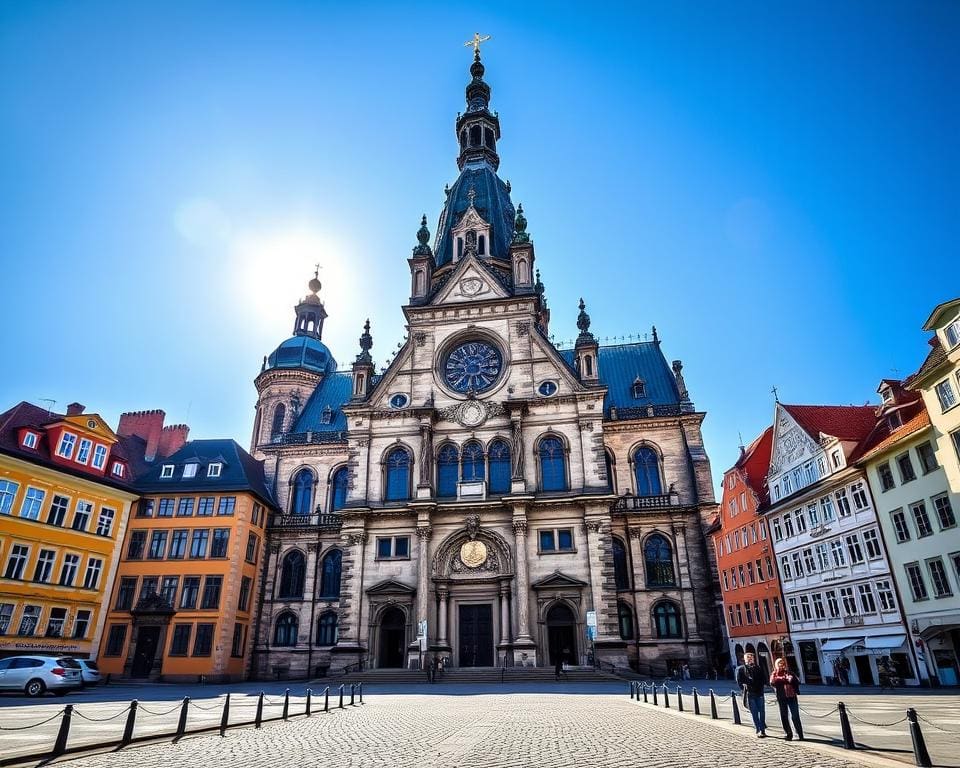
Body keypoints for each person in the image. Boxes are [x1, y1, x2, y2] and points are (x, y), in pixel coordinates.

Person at [770, 657, 804, 741]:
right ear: (776, 665)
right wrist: (784, 679)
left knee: (795, 716)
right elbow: (772, 682)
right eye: (779, 664)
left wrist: (790, 679)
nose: (781, 665)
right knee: (784, 716)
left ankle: (800, 734)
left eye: (782, 663)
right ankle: (788, 734)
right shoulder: (774, 674)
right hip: (782, 698)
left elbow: (797, 681)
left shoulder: (789, 672)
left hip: (792, 696)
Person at [736, 652, 768, 737]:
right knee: (754, 712)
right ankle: (758, 729)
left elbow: (763, 679)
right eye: (748, 658)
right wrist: (744, 689)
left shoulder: (758, 668)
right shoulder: (741, 669)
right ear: (745, 659)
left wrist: (762, 686)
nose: (750, 659)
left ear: (754, 659)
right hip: (750, 693)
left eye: (751, 657)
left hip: (759, 692)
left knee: (762, 711)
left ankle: (762, 729)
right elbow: (739, 681)